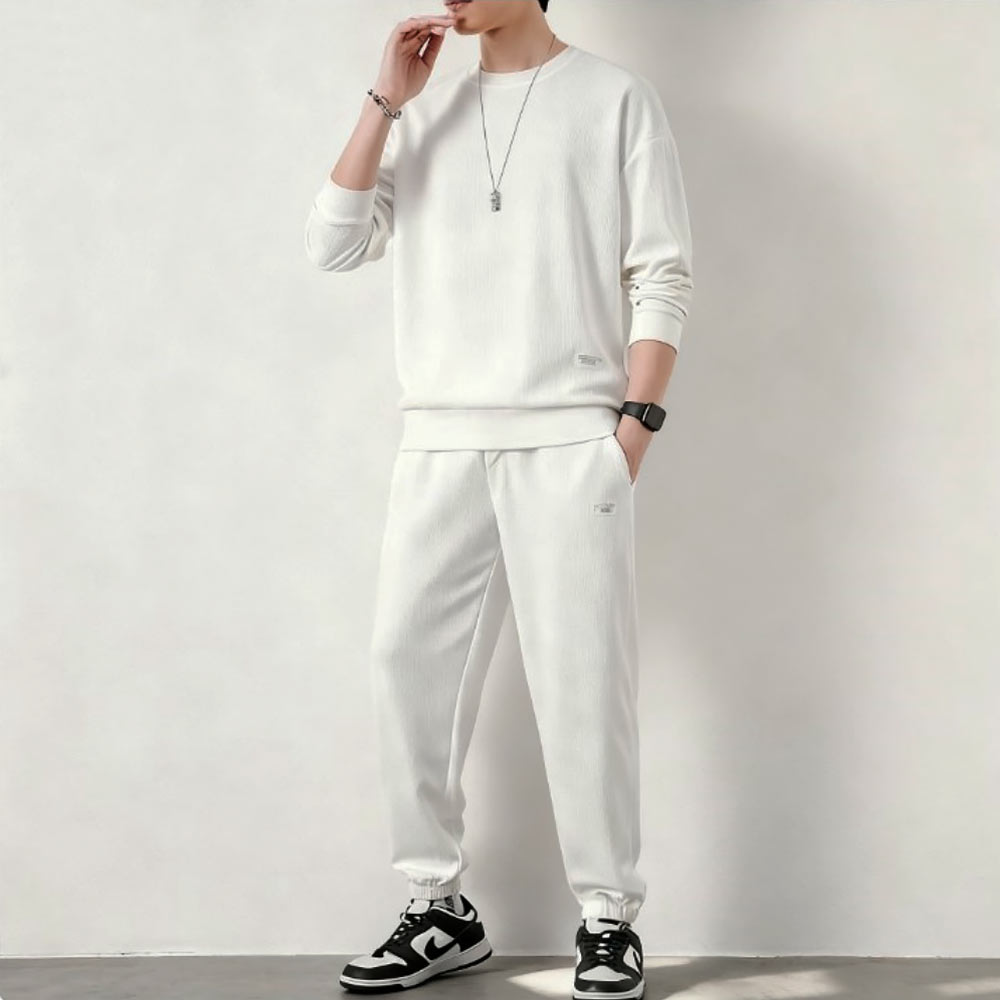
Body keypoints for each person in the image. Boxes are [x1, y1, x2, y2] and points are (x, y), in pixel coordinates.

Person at [304, 1, 693, 996]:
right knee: (407, 669)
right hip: (438, 439)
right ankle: (438, 906)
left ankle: (607, 917)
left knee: (582, 681)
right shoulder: (423, 111)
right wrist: (384, 101)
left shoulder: (615, 99)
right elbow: (333, 243)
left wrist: (632, 431)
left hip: (571, 441)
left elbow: (660, 273)